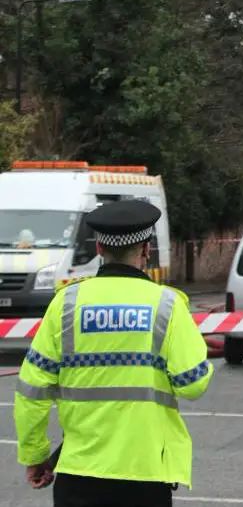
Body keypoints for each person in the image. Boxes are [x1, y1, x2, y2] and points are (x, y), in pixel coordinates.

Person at [14, 200, 213, 507]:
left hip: (78, 473)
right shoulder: (167, 305)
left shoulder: (66, 304)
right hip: (146, 474)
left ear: (99, 249)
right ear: (146, 250)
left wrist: (35, 455)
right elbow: (193, 385)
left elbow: (31, 391)